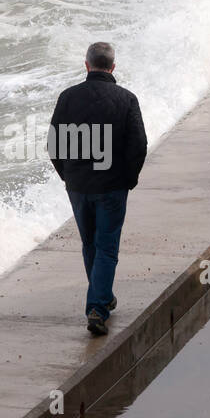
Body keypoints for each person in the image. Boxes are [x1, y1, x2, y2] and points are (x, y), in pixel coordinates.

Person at [47, 41, 147, 335]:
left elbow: (54, 144)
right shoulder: (126, 99)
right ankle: (97, 308)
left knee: (90, 244)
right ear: (112, 67)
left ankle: (101, 296)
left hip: (78, 186)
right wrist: (129, 179)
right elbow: (138, 145)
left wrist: (68, 176)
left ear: (87, 65)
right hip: (112, 186)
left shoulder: (68, 97)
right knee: (106, 247)